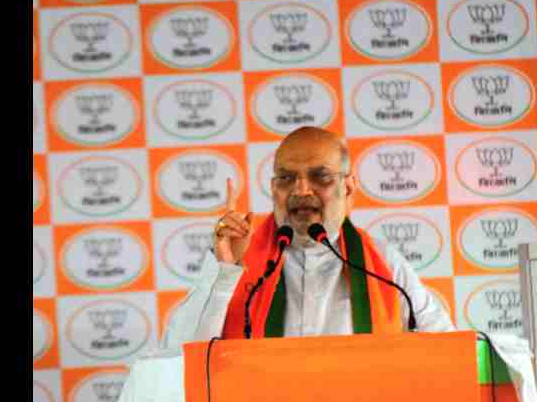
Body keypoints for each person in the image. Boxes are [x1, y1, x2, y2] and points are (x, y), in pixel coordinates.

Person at [159, 126, 454, 348]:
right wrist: (224, 271)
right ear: (273, 188)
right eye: (286, 178)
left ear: (348, 189)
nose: (301, 190)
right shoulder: (238, 258)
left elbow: (445, 349)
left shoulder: (383, 265)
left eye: (320, 176)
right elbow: (182, 354)